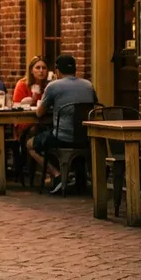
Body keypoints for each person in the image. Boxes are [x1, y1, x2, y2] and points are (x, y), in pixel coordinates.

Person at [30, 53, 97, 193]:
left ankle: (57, 175)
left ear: (57, 71)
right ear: (75, 70)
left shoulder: (53, 86)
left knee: (30, 144)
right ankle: (78, 179)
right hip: (85, 136)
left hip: (62, 138)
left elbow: (39, 113)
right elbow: (94, 106)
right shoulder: (88, 85)